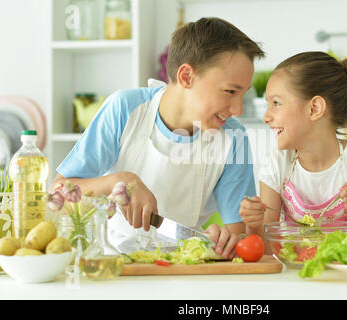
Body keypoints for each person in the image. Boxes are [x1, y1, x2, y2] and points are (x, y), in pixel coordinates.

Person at [51, 17, 265, 257]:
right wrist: (119, 180)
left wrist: (224, 241)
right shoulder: (125, 109)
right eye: (229, 91)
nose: (238, 109)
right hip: (113, 265)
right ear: (186, 77)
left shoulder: (233, 138)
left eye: (242, 94)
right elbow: (59, 194)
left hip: (186, 266)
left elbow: (239, 239)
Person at [239, 51, 347, 250]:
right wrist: (254, 224)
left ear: (314, 108)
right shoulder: (277, 162)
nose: (266, 117)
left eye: (276, 103)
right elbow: (265, 249)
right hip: (294, 276)